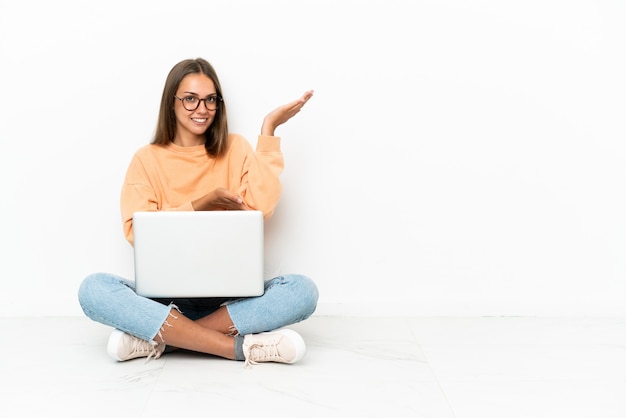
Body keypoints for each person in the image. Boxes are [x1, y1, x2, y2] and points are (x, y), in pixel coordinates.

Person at [78, 58, 318, 367]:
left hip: (229, 302)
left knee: (302, 291)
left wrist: (268, 130)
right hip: (163, 301)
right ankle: (237, 348)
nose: (201, 109)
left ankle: (161, 339)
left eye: (210, 100)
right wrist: (200, 204)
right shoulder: (147, 159)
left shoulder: (236, 148)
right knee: (93, 289)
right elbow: (136, 232)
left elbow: (261, 208)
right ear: (172, 103)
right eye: (190, 99)